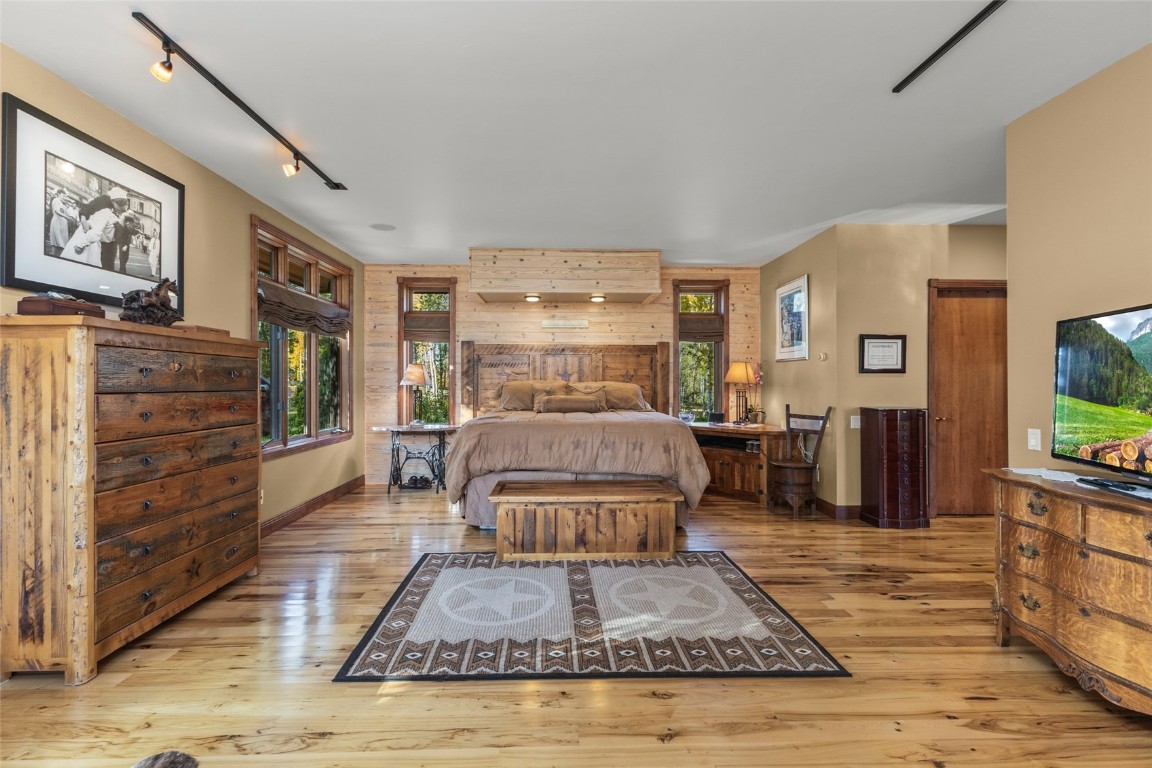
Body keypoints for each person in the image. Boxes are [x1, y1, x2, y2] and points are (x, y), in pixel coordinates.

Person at [61, 186, 131, 267]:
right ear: (114, 202)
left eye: (122, 211)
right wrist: (80, 243)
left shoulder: (113, 213)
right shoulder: (105, 208)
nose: (120, 213)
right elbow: (95, 232)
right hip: (89, 235)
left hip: (97, 238)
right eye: (119, 210)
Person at [46, 189, 77, 257]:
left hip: (63, 226)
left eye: (66, 196)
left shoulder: (64, 204)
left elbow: (66, 213)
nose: (64, 197)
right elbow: (57, 211)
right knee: (56, 244)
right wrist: (67, 217)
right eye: (63, 195)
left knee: (62, 245)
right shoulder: (56, 200)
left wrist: (71, 218)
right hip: (57, 223)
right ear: (59, 194)